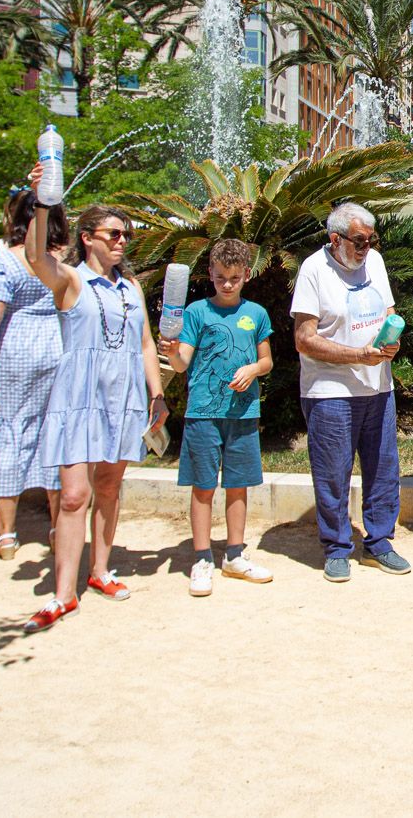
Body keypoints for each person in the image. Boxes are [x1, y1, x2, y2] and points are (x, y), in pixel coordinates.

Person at [22, 178, 168, 632]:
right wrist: (44, 204)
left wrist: (157, 394)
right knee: (73, 495)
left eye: (126, 234)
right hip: (78, 397)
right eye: (113, 234)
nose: (123, 241)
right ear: (88, 238)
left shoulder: (130, 289)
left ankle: (100, 570)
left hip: (122, 396)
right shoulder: (71, 281)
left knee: (108, 487)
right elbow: (35, 257)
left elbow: (145, 343)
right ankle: (62, 594)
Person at [291, 203, 407, 579]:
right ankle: (337, 546)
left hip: (378, 385)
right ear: (335, 239)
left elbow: (389, 313)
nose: (366, 248)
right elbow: (304, 340)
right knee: (333, 473)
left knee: (383, 468)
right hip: (330, 389)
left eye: (371, 241)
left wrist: (392, 344)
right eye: (359, 241)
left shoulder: (374, 263)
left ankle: (379, 543)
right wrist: (357, 354)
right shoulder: (313, 270)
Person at [156, 239, 276, 596]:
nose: (227, 284)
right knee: (203, 486)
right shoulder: (195, 312)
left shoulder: (256, 314)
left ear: (247, 275)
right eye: (221, 277)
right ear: (209, 273)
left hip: (242, 413)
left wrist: (253, 369)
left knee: (238, 485)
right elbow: (181, 365)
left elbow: (267, 361)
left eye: (234, 277)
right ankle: (202, 557)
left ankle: (235, 554)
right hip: (203, 413)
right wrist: (173, 351)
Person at [0, 190, 66, 560]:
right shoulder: (60, 260)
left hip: (14, 350)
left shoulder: (4, 259)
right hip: (56, 348)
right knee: (55, 435)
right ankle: (58, 526)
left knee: (11, 432)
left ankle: (6, 534)